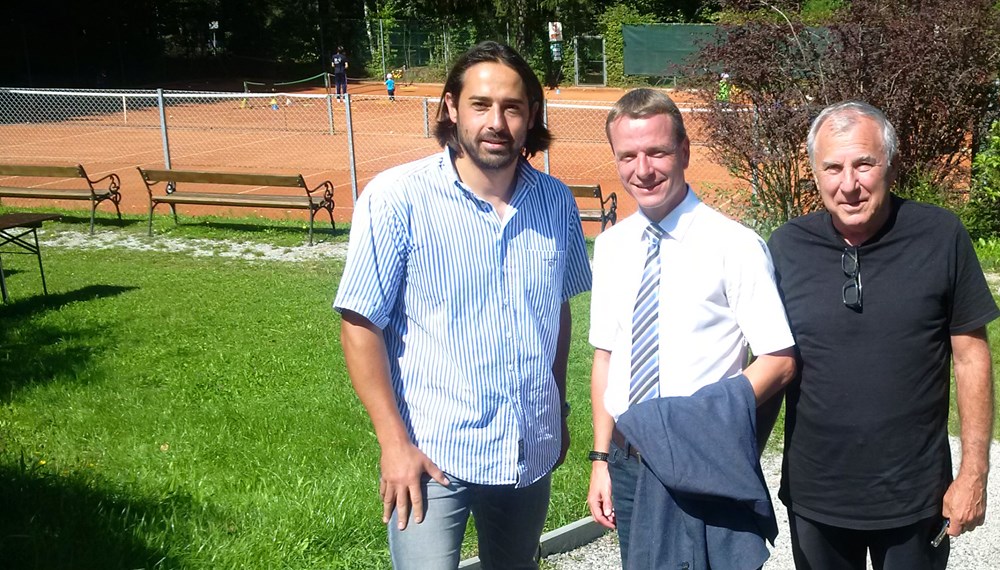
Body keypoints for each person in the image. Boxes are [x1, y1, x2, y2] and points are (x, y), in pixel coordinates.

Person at [334, 40, 592, 570]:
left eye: (512, 107)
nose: (496, 121)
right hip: (432, 458)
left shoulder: (556, 201)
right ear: (451, 107)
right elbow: (360, 323)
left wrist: (558, 409)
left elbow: (558, 313)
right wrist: (393, 443)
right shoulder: (396, 198)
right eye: (481, 104)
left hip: (528, 450)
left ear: (531, 116)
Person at [767, 101, 998, 570]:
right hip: (817, 495)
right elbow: (771, 362)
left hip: (916, 497)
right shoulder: (786, 247)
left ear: (888, 163)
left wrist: (974, 473)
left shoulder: (940, 236)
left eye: (863, 164)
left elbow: (972, 358)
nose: (848, 185)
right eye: (832, 167)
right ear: (814, 172)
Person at [586, 87, 797, 568]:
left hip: (698, 458)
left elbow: (779, 360)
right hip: (628, 461)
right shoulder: (613, 246)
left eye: (657, 152)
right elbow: (606, 356)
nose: (643, 169)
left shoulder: (734, 246)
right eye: (628, 156)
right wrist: (601, 460)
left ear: (683, 151)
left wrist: (708, 423)